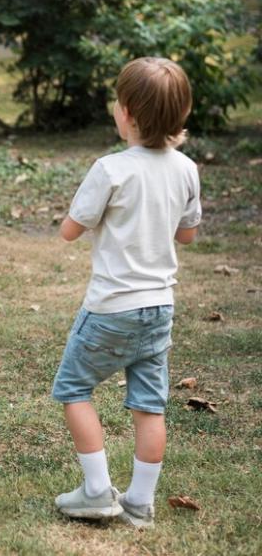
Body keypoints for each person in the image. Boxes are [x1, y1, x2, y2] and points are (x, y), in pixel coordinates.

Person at [51, 57, 201, 529]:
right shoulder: (186, 169)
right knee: (148, 403)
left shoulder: (110, 169)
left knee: (74, 388)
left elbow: (70, 231)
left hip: (112, 307)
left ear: (128, 113)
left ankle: (96, 491)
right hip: (159, 308)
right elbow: (187, 235)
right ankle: (139, 502)